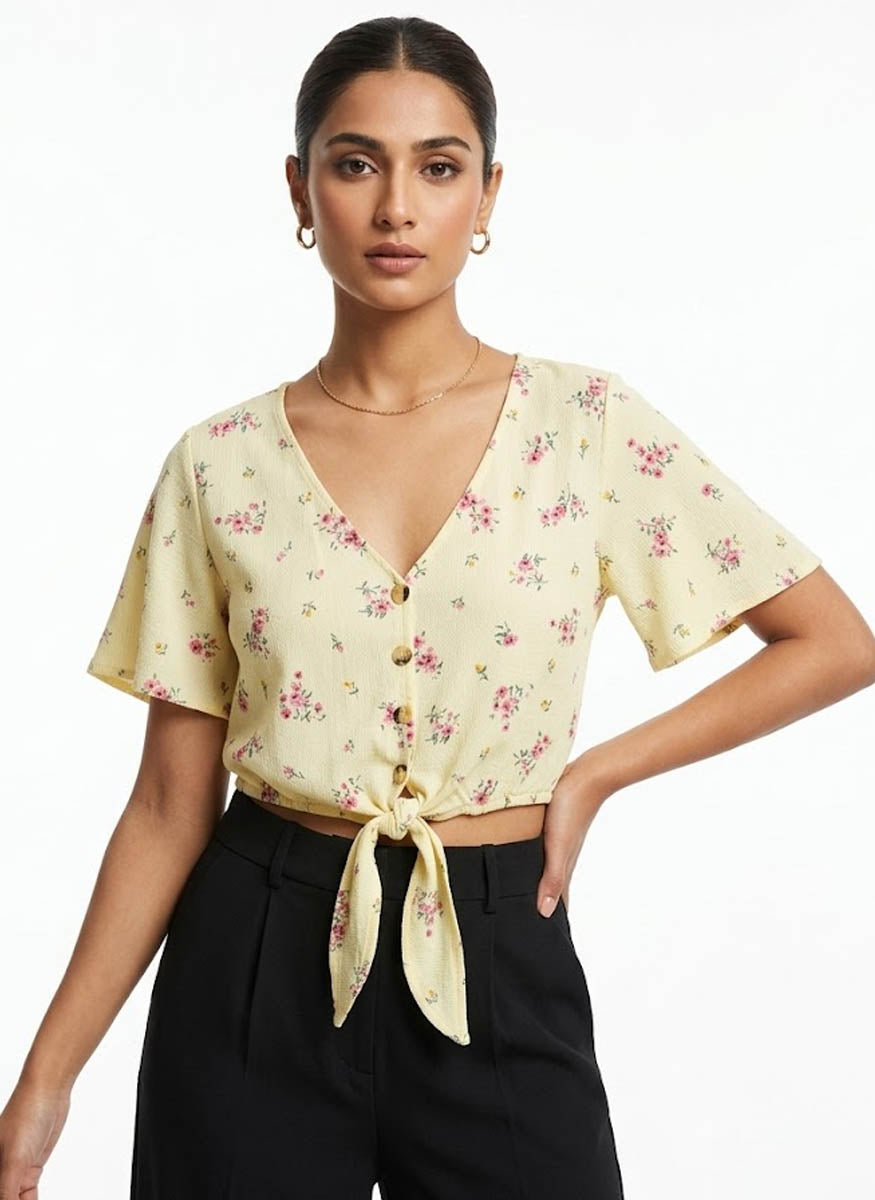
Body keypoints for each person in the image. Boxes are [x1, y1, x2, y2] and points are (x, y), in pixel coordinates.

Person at [2, 14, 873, 1200]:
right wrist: (47, 1078)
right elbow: (166, 805)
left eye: (439, 166)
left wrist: (590, 775)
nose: (396, 207)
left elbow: (830, 643)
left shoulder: (585, 428)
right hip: (253, 954)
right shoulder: (217, 466)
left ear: (487, 194)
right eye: (356, 163)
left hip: (498, 939)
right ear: (300, 189)